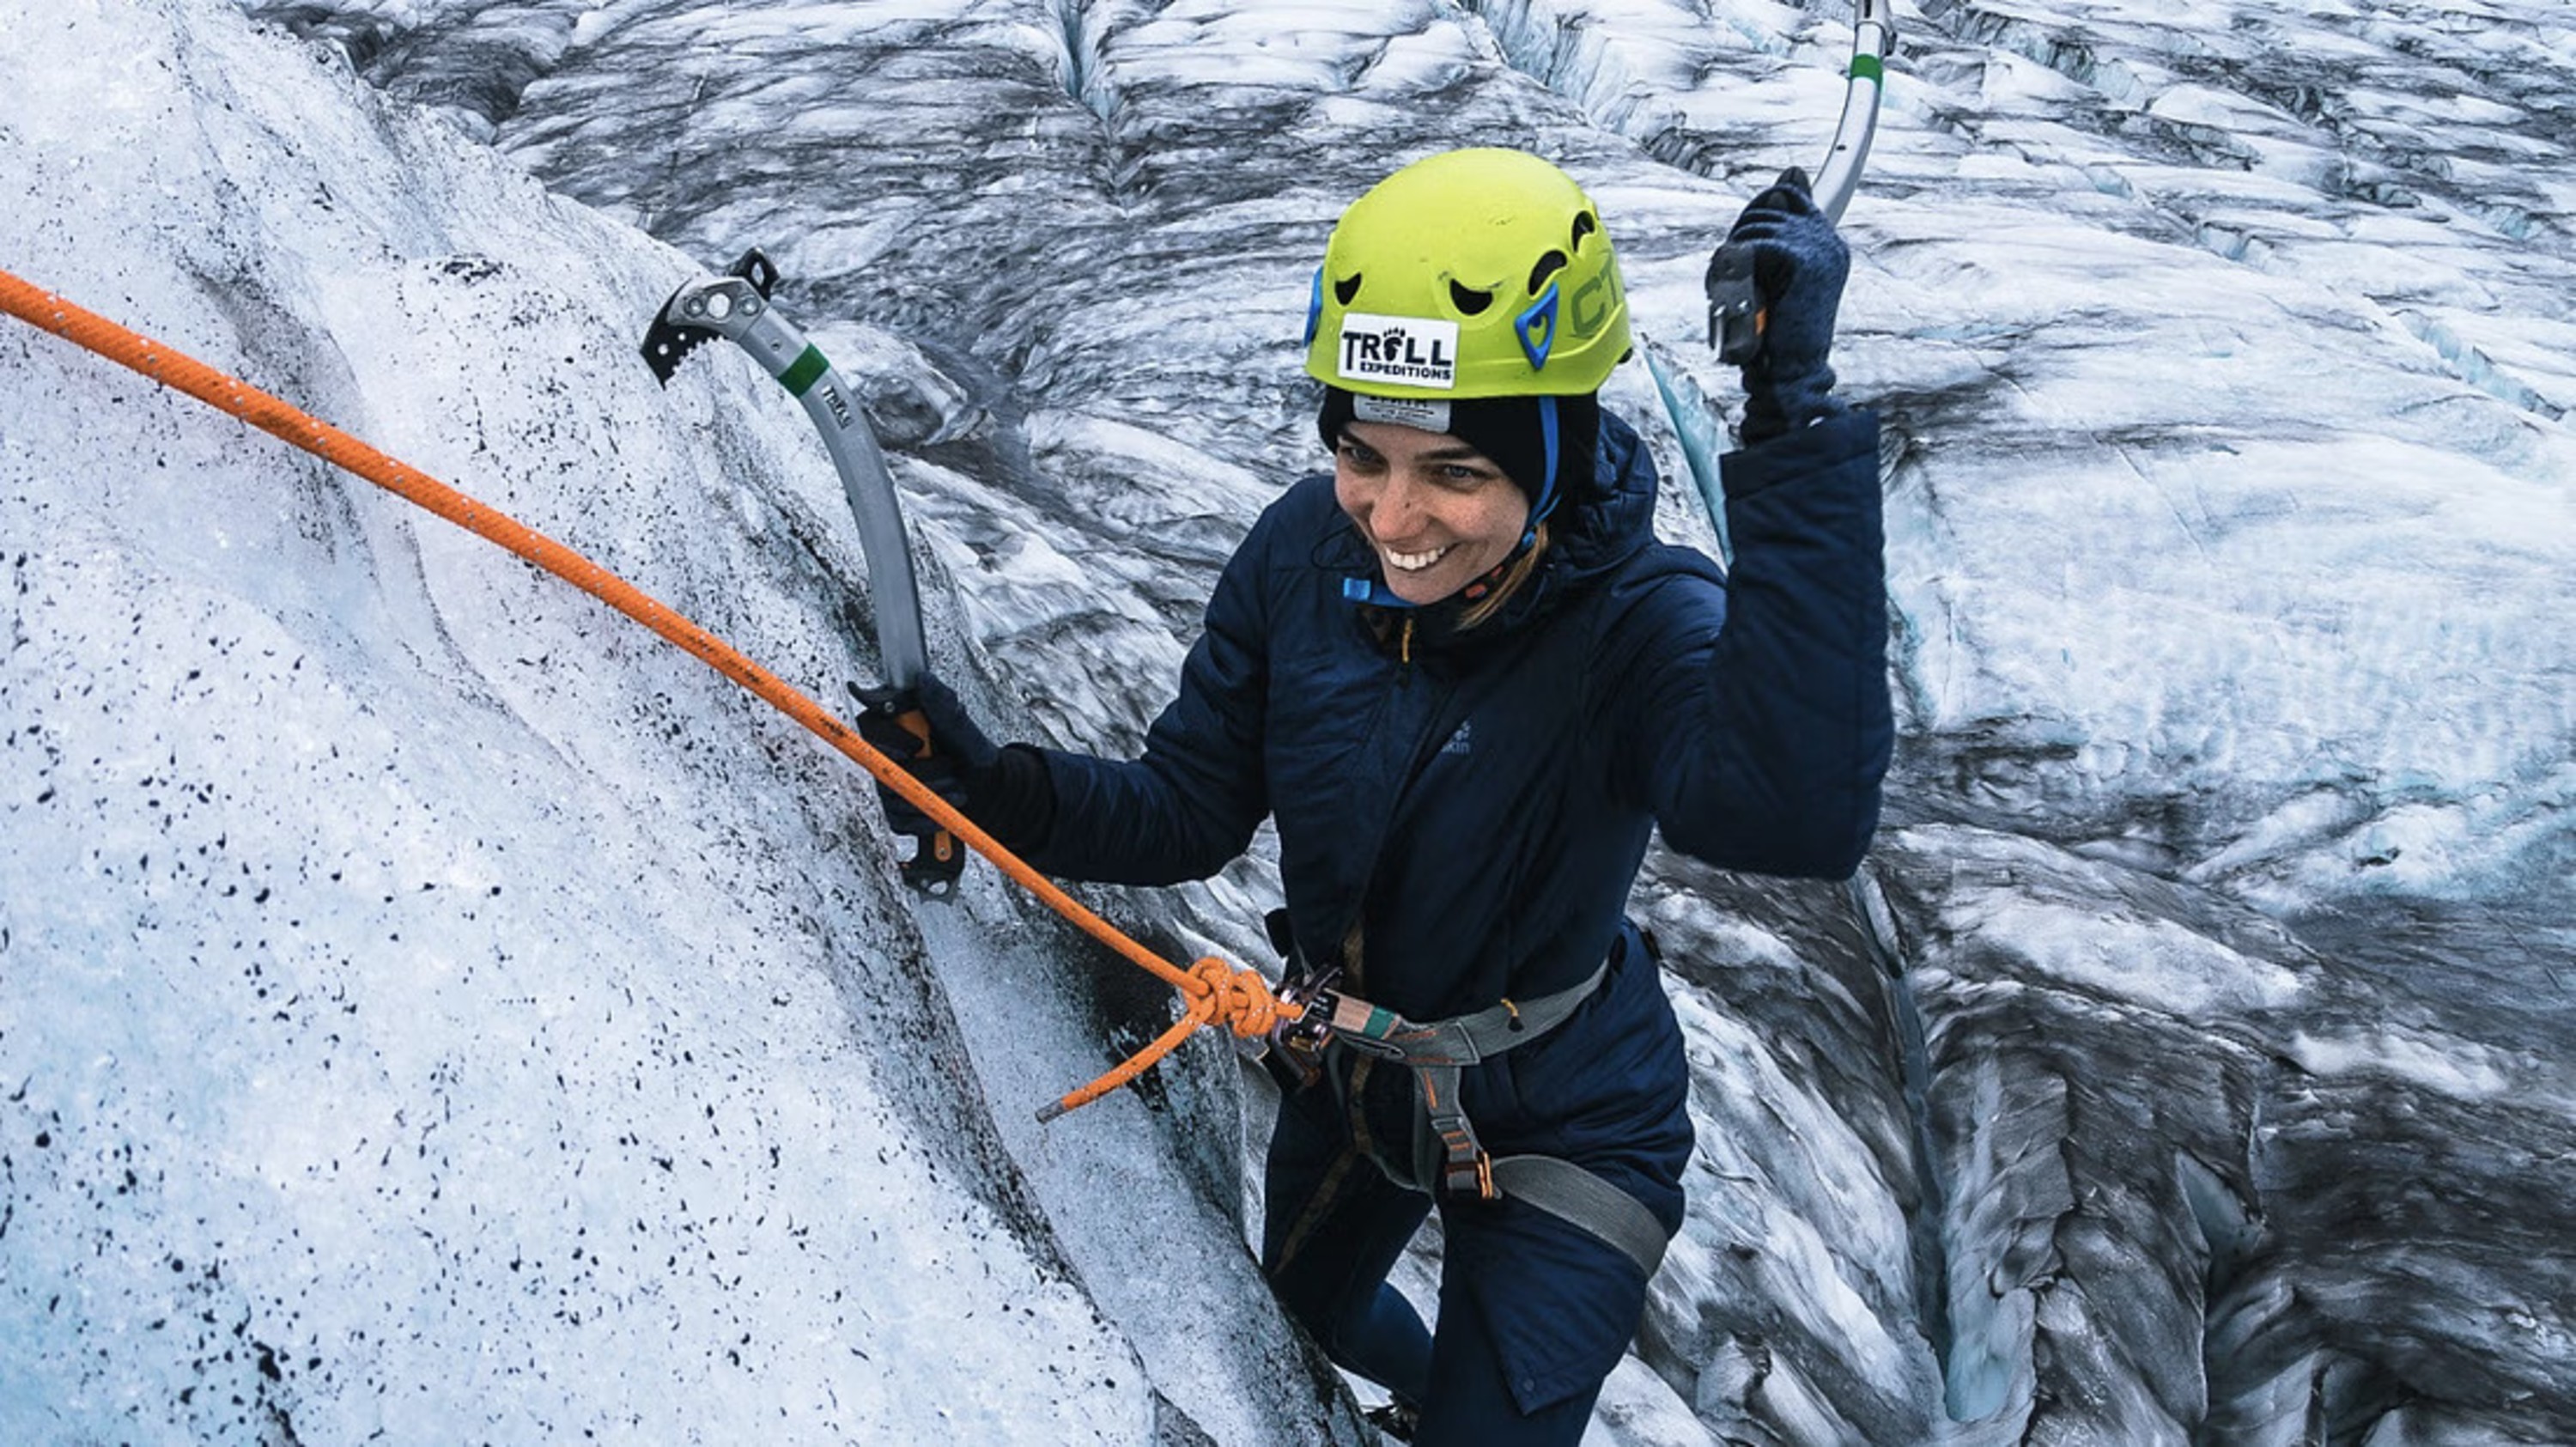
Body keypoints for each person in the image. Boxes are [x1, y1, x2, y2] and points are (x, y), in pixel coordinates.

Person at [859, 148, 1891, 1444]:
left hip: (1575, 1119)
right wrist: (990, 790)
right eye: (1360, 451)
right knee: (1295, 1312)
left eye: (1456, 469)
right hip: (1364, 1079)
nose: (1394, 515)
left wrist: (1791, 415)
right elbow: (1188, 806)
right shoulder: (1306, 552)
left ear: (1556, 450)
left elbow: (1792, 815)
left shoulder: (1643, 623)